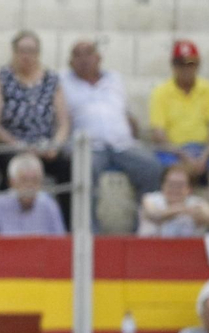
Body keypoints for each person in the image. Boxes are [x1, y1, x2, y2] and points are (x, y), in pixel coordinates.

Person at [61, 39, 163, 212]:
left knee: (152, 167)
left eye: (88, 53)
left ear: (99, 57)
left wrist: (132, 131)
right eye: (77, 55)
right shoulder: (63, 81)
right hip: (89, 146)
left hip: (122, 144)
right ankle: (89, 230)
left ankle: (147, 227)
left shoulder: (114, 79)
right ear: (70, 62)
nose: (84, 59)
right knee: (83, 171)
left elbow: (127, 113)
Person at [0, 30, 70, 217]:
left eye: (31, 51)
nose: (26, 55)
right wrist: (20, 147)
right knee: (12, 168)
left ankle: (67, 229)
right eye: (22, 50)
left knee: (68, 168)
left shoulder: (52, 80)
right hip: (8, 145)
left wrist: (55, 145)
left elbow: (63, 123)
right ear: (13, 52)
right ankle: (3, 225)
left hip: (45, 146)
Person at [149, 40, 209, 215]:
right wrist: (184, 156)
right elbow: (158, 134)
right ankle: (173, 221)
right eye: (181, 63)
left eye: (191, 63)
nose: (186, 68)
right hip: (172, 151)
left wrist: (205, 156)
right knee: (175, 174)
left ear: (198, 65)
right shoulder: (161, 92)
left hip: (203, 150)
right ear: (173, 66)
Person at [0, 152, 66, 235]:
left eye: (35, 180)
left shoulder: (48, 205)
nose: (30, 186)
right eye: (24, 180)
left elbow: (60, 243)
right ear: (11, 182)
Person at [138, 164, 209, 237]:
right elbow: (154, 214)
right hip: (151, 249)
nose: (175, 189)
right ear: (162, 185)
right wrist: (182, 209)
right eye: (171, 184)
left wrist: (201, 216)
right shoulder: (150, 199)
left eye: (180, 185)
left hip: (187, 250)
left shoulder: (196, 202)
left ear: (189, 188)